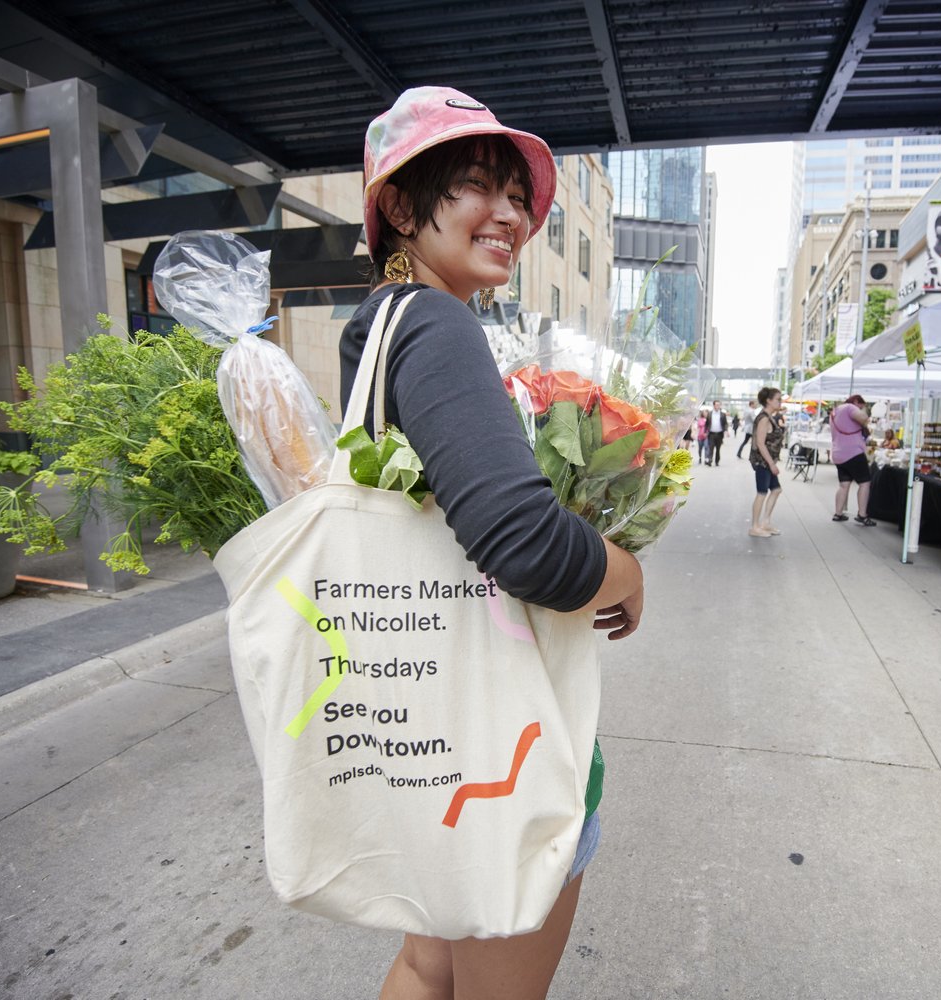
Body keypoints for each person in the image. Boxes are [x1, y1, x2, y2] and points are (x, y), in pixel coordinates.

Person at [337, 86, 643, 1000]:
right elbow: (524, 545)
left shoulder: (378, 327)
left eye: (517, 195)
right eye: (476, 185)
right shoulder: (435, 325)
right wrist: (624, 570)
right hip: (495, 741)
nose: (509, 214)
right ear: (398, 205)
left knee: (430, 962)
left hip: (427, 727)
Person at [829, 393, 875, 525]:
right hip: (853, 452)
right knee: (865, 482)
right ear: (856, 401)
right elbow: (864, 419)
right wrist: (864, 410)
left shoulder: (835, 411)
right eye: (860, 405)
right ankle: (862, 515)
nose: (860, 408)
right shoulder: (850, 407)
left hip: (838, 453)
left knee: (844, 485)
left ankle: (838, 513)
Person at [749, 387, 785, 537]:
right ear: (769, 401)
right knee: (762, 493)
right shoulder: (764, 418)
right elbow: (760, 443)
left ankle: (765, 522)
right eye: (778, 399)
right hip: (763, 462)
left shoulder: (769, 416)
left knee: (776, 490)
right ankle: (755, 527)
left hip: (767, 461)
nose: (780, 401)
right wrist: (771, 464)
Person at [705, 400, 727, 465]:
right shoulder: (710, 413)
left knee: (718, 448)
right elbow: (707, 423)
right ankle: (710, 460)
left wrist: (726, 430)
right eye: (717, 405)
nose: (718, 406)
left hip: (720, 434)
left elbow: (725, 423)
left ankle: (717, 461)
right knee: (711, 448)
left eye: (719, 405)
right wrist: (705, 431)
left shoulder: (722, 414)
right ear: (714, 405)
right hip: (711, 434)